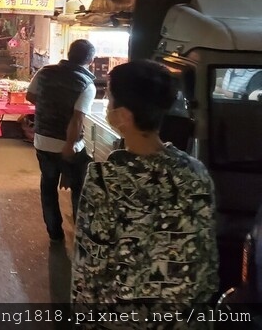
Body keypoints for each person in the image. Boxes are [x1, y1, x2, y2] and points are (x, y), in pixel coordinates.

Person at [71, 60, 218, 316]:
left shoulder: (107, 178)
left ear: (125, 115)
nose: (106, 105)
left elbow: (90, 264)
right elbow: (206, 257)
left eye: (109, 98)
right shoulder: (196, 172)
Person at [26, 39, 96, 243]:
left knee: (48, 186)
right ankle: (81, 235)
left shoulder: (45, 72)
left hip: (42, 141)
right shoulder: (86, 84)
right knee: (78, 189)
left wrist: (49, 106)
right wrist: (68, 148)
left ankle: (55, 234)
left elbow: (30, 96)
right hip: (68, 145)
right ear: (90, 60)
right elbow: (77, 120)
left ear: (69, 53)